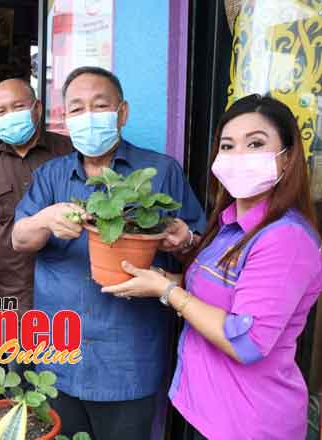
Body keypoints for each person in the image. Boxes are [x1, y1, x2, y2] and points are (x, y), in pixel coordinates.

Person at [102, 94, 322, 440]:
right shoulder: (231, 223)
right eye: (228, 146)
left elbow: (247, 340)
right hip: (207, 409)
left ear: (288, 157)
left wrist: (166, 291)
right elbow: (218, 292)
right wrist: (171, 270)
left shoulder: (286, 239)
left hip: (250, 421)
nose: (239, 157)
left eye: (256, 144)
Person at [11, 67, 206, 439]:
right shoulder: (51, 177)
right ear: (65, 117)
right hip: (59, 352)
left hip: (127, 360)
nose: (88, 117)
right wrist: (44, 220)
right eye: (77, 109)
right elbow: (18, 239)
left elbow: (198, 255)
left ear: (122, 113)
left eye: (99, 106)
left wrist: (184, 241)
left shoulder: (159, 172)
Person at [0, 78, 71, 314]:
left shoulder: (69, 152)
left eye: (18, 107)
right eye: (1, 111)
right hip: (15, 288)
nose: (10, 115)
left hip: (67, 283)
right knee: (16, 351)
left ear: (37, 108)